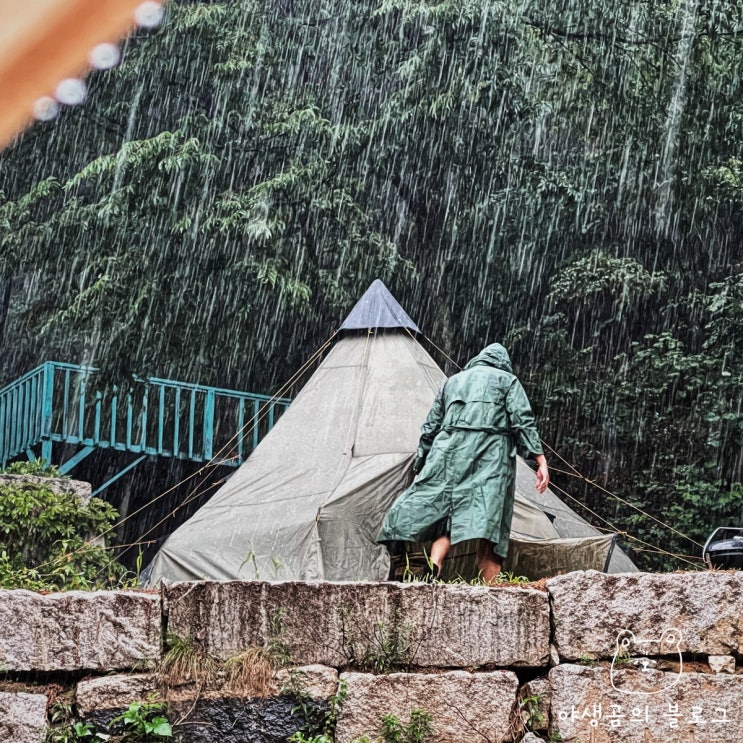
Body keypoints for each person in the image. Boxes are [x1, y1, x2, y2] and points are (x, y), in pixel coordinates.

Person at [377, 342, 549, 583]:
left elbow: (430, 428)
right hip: (490, 457)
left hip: (448, 453)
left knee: (448, 514)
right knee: (490, 521)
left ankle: (434, 563)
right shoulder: (507, 381)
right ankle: (490, 586)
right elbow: (522, 420)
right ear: (503, 363)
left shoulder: (452, 382)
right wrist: (539, 459)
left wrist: (421, 464)